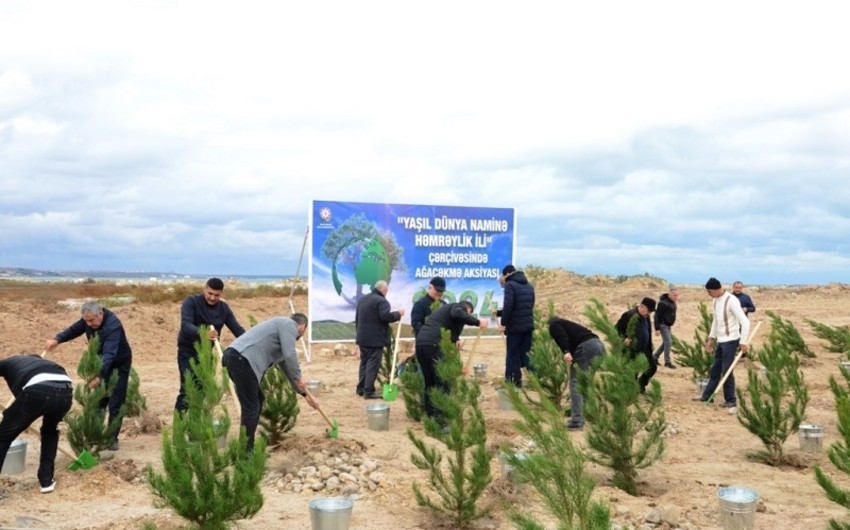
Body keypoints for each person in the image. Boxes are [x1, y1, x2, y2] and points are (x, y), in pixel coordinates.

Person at [221, 313, 319, 452]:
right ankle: (246, 451)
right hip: (242, 359)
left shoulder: (281, 339)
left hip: (236, 358)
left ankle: (247, 444)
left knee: (257, 400)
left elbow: (289, 371)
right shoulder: (289, 324)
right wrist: (299, 377)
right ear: (302, 327)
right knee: (252, 406)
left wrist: (306, 395)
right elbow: (291, 355)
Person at [45, 300, 132, 450]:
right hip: (100, 362)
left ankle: (112, 438)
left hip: (119, 364)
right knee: (98, 401)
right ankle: (95, 435)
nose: (89, 324)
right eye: (87, 321)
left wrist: (99, 376)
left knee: (115, 401)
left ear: (100, 313)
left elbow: (109, 355)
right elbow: (74, 329)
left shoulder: (113, 326)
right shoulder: (88, 319)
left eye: (92, 320)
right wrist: (57, 339)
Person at [0, 354, 73, 494]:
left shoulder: (10, 362)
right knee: (50, 432)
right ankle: (46, 481)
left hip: (37, 390)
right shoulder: (49, 364)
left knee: (2, 437)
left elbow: (28, 400)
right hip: (65, 392)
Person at [175, 277, 246, 412]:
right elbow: (186, 325)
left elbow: (237, 328)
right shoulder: (191, 302)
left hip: (207, 354)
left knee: (202, 389)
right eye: (210, 294)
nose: (213, 298)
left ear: (221, 294)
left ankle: (196, 424)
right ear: (205, 290)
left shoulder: (223, 309)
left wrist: (251, 341)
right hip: (187, 352)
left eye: (216, 295)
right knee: (187, 389)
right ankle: (180, 426)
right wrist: (203, 333)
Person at [415, 301, 488, 421]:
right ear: (468, 309)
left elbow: (449, 326)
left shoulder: (442, 313)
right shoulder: (458, 307)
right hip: (434, 344)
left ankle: (431, 417)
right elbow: (457, 314)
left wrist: (456, 339)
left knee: (430, 382)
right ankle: (440, 420)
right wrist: (478, 322)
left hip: (421, 344)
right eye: (468, 313)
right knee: (443, 382)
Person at [695, 277, 750, 408]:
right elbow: (716, 321)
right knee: (715, 369)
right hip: (721, 340)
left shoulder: (732, 301)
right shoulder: (715, 301)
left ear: (716, 289)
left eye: (709, 291)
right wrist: (711, 339)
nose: (708, 294)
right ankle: (707, 396)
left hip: (731, 341)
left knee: (727, 371)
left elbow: (745, 322)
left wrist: (743, 342)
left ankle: (731, 400)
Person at [548, 317, 606, 430]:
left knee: (576, 383)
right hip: (599, 346)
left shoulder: (554, 324)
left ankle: (577, 421)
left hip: (586, 347)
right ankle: (588, 413)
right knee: (585, 382)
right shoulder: (570, 325)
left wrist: (566, 351)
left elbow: (562, 336)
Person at [355, 280, 405, 399]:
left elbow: (357, 319)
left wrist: (357, 339)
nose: (387, 292)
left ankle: (361, 388)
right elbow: (385, 317)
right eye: (387, 290)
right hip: (375, 340)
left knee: (364, 363)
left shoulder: (363, 299)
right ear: (383, 289)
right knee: (373, 364)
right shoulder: (382, 301)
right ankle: (369, 391)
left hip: (362, 338)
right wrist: (398, 314)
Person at [498, 264, 536, 387]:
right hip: (528, 326)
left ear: (508, 274)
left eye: (504, 276)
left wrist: (503, 324)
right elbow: (527, 305)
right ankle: (538, 381)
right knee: (526, 355)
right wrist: (499, 313)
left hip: (515, 328)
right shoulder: (529, 286)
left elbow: (509, 306)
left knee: (512, 355)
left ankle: (511, 382)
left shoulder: (510, 285)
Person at [615, 297, 657, 394]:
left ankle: (641, 385)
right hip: (632, 350)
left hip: (645, 349)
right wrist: (624, 338)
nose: (649, 314)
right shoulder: (629, 315)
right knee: (633, 371)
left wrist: (650, 348)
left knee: (652, 367)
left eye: (650, 312)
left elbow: (648, 333)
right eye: (648, 311)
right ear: (642, 306)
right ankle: (630, 392)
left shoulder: (646, 317)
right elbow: (617, 329)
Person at [652, 287, 679, 369]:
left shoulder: (673, 302)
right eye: (675, 295)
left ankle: (655, 357)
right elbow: (656, 316)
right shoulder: (663, 303)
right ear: (669, 294)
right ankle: (667, 362)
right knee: (668, 342)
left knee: (666, 343)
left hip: (668, 325)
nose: (676, 297)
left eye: (677, 295)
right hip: (662, 325)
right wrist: (657, 328)